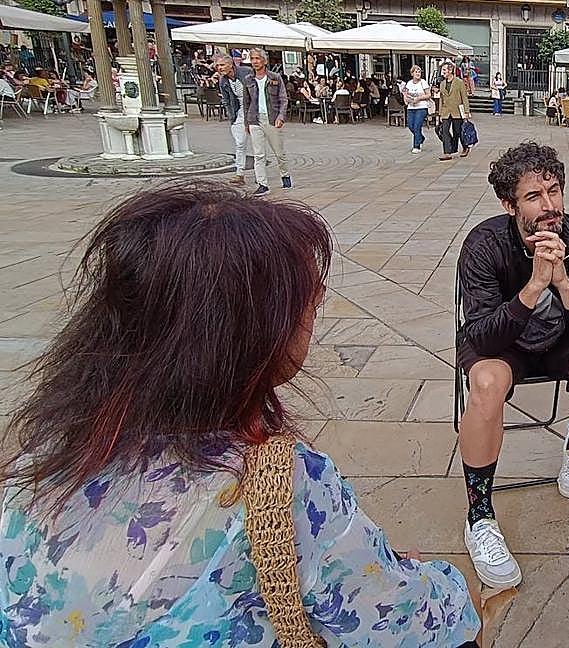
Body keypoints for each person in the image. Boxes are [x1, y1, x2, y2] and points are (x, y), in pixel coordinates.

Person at [0, 183, 482, 647]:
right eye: (309, 302)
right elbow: (406, 621)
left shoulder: (38, 460)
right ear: (254, 332)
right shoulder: (277, 483)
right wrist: (438, 582)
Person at [456, 143, 569, 589]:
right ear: (509, 204)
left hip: (561, 343)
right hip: (504, 344)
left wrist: (564, 281)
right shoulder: (484, 245)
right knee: (487, 383)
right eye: (534, 196)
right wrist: (533, 285)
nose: (549, 206)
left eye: (554, 191)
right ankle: (479, 516)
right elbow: (482, 336)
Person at [242, 49, 292, 195]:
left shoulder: (274, 78)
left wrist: (281, 116)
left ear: (264, 61)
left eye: (258, 58)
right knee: (259, 154)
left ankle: (285, 174)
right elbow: (246, 102)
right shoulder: (248, 80)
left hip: (271, 118)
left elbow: (283, 99)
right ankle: (262, 184)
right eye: (252, 59)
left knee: (279, 152)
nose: (255, 61)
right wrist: (247, 122)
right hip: (254, 119)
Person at [214, 53, 255, 185]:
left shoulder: (246, 72)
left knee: (258, 144)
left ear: (230, 64)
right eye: (217, 65)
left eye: (222, 65)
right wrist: (231, 115)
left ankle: (261, 175)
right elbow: (226, 100)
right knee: (240, 144)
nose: (219, 68)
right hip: (238, 112)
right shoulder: (223, 81)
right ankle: (239, 174)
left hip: (253, 110)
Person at [438, 61, 471, 161]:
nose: (442, 72)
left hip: (457, 111)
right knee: (445, 130)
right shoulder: (442, 83)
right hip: (445, 112)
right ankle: (447, 152)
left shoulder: (459, 82)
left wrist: (466, 112)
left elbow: (464, 98)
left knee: (458, 132)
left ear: (450, 70)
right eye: (442, 70)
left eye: (444, 70)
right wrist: (440, 113)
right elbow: (441, 99)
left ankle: (465, 147)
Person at [403, 64, 432, 154]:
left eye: (419, 72)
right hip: (411, 107)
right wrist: (406, 100)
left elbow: (429, 94)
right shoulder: (409, 83)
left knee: (417, 126)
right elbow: (405, 93)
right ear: (412, 73)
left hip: (421, 107)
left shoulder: (423, 82)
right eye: (416, 72)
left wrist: (419, 98)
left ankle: (416, 146)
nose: (418, 73)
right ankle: (421, 138)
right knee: (411, 126)